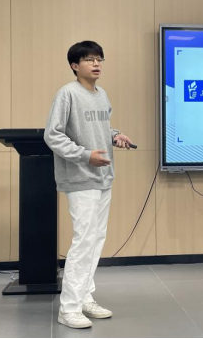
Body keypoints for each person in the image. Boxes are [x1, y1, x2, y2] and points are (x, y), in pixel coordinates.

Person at [44, 40, 134, 329]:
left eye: (99, 59)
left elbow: (102, 127)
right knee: (83, 241)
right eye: (89, 59)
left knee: (95, 240)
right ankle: (68, 308)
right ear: (74, 65)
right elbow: (53, 135)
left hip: (103, 177)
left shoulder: (101, 94)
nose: (96, 64)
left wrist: (115, 135)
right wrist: (85, 155)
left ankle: (84, 297)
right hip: (80, 178)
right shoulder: (67, 94)